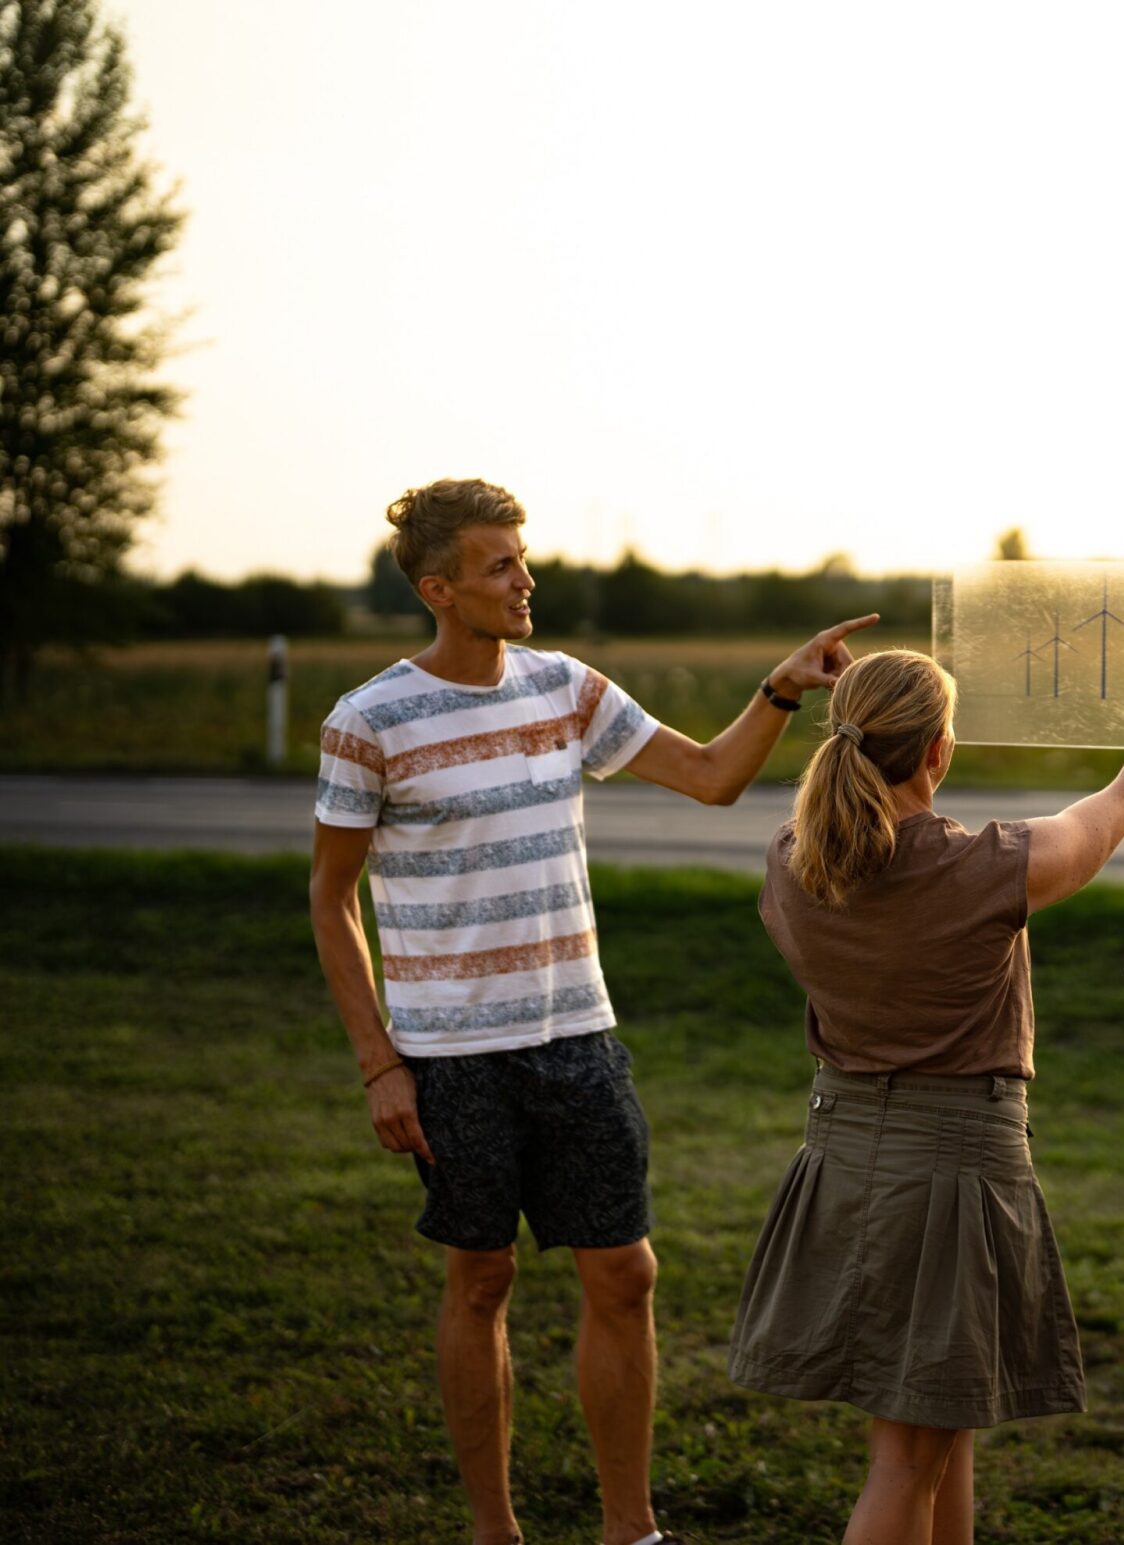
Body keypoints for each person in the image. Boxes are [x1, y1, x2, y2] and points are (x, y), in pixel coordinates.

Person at [308, 477, 877, 1545]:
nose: (527, 581)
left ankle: (632, 1530)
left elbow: (710, 777)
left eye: (522, 560)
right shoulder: (369, 721)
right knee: (480, 1280)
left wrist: (782, 688)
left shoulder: (567, 688)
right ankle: (496, 1530)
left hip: (577, 1038)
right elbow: (330, 899)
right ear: (438, 588)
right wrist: (381, 1064)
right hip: (450, 1056)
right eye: (498, 567)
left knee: (625, 1273)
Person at [730, 648, 1124, 1545]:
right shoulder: (982, 869)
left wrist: (872, 701)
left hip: (842, 1153)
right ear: (937, 752)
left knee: (944, 1422)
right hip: (953, 1166)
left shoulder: (789, 862)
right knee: (907, 1458)